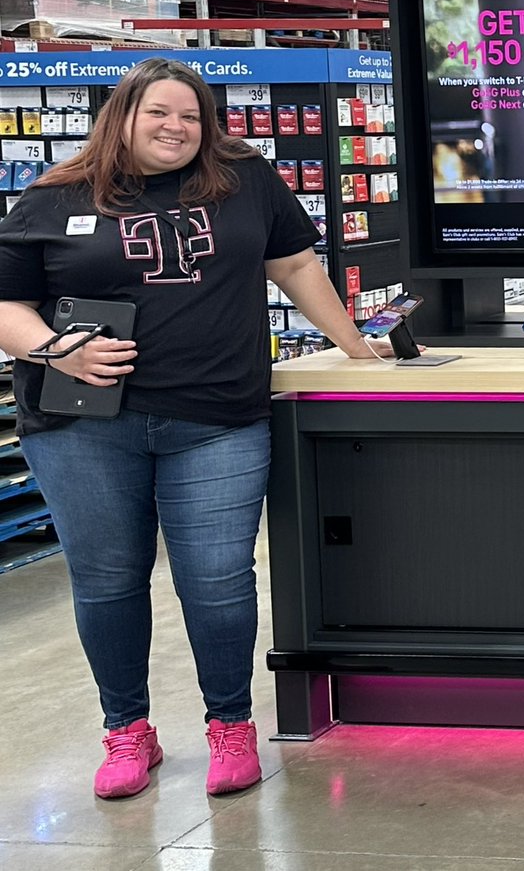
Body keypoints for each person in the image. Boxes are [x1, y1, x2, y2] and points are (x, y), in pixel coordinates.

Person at [0, 58, 390, 800]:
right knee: (107, 580)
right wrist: (56, 349)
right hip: (83, 425)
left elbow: (296, 267)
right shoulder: (55, 195)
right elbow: (6, 303)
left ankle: (230, 724)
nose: (176, 127)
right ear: (122, 116)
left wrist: (354, 345)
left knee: (217, 581)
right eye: (159, 113)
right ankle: (127, 730)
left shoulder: (245, 178)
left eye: (191, 116)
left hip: (217, 419)